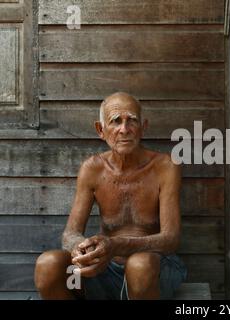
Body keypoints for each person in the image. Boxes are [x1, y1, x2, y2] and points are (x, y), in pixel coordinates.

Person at [34, 92, 187, 300]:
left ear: (144, 127)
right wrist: (84, 251)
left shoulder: (165, 167)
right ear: (101, 130)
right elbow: (70, 234)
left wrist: (115, 244)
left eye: (132, 120)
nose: (124, 129)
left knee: (139, 265)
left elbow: (171, 239)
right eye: (115, 121)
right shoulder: (92, 169)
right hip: (104, 270)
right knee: (48, 264)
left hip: (154, 269)